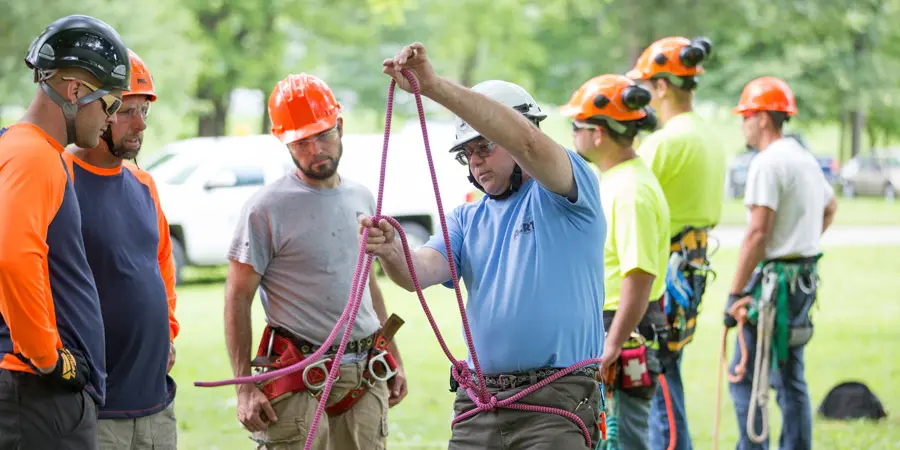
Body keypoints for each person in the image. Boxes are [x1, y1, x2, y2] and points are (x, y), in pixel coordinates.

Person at [362, 42, 607, 449]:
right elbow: (419, 271)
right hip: (480, 401)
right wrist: (391, 251)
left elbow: (526, 143)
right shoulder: (467, 217)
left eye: (485, 146)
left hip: (556, 400)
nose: (475, 161)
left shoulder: (567, 192)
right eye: (467, 153)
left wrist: (435, 87)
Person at [224, 72, 407, 450]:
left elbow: (367, 284)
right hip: (299, 378)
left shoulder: (361, 198)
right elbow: (237, 297)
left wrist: (393, 356)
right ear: (284, 142)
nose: (315, 150)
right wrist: (244, 388)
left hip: (363, 377)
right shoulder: (266, 208)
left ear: (340, 126)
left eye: (323, 135)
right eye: (302, 142)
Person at [0, 14, 130, 449]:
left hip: (35, 394)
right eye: (110, 104)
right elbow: (14, 256)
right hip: (36, 394)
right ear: (75, 91)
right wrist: (48, 359)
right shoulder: (33, 155)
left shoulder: (23, 150)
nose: (110, 120)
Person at [64, 48, 179, 449]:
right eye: (127, 110)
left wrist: (169, 334)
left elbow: (162, 266)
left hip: (155, 406)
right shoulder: (59, 177)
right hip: (94, 410)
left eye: (144, 111)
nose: (140, 124)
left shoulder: (144, 184)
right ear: (96, 108)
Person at [724, 76, 837, 450]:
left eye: (745, 116)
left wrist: (735, 293)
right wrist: (801, 243)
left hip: (774, 288)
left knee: (744, 376)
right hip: (801, 283)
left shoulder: (768, 163)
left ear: (761, 118)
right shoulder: (803, 157)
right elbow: (830, 206)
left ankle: (753, 446)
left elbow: (758, 233)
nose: (743, 124)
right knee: (791, 377)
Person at [560, 74, 671, 450]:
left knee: (623, 439)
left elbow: (639, 275)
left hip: (622, 330)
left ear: (598, 133)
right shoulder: (615, 180)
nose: (572, 134)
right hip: (609, 327)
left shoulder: (631, 191)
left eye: (577, 125)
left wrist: (613, 345)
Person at [625, 35, 725, 450]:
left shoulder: (665, 142)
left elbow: (628, 191)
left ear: (662, 86)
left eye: (647, 86)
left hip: (664, 274)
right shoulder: (707, 134)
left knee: (659, 382)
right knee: (669, 372)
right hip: (691, 265)